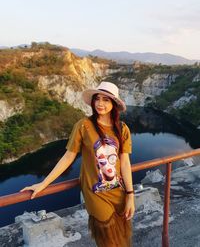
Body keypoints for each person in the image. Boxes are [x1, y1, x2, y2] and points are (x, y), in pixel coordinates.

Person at [20, 81, 135, 247]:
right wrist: (43, 183)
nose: (100, 103)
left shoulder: (122, 128)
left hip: (120, 191)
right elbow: (68, 157)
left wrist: (130, 195)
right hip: (96, 194)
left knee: (122, 237)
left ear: (114, 104)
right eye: (97, 99)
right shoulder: (84, 126)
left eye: (106, 100)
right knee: (108, 240)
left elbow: (124, 162)